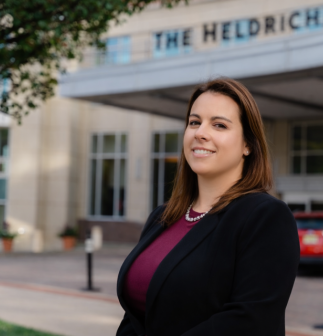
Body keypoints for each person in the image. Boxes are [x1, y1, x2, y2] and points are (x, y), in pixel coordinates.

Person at [116, 77, 300, 336]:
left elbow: (251, 321)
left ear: (248, 144)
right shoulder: (162, 217)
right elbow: (135, 316)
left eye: (219, 125)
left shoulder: (265, 217)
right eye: (194, 122)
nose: (200, 133)